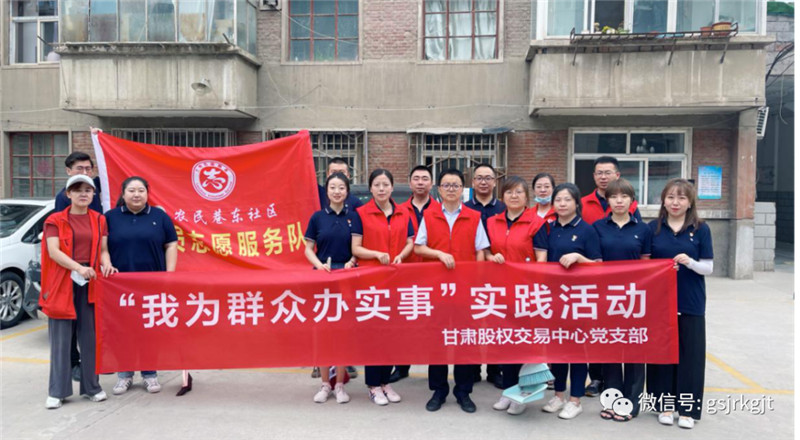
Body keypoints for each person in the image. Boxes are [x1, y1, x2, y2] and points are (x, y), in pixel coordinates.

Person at [414, 168, 490, 413]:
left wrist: (477, 280)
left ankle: (463, 391)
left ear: (463, 189)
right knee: (437, 340)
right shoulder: (430, 214)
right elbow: (418, 247)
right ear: (439, 189)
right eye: (446, 185)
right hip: (436, 289)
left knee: (464, 340)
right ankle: (438, 390)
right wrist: (439, 254)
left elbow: (481, 249)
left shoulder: (474, 216)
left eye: (455, 185)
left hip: (464, 289)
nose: (451, 189)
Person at [41, 175, 113, 409]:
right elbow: (54, 251)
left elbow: (103, 249)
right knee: (61, 339)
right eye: (77, 189)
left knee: (90, 338)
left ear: (93, 195)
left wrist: (107, 264)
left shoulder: (99, 219)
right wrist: (78, 268)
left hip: (90, 282)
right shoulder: (55, 220)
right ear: (68, 194)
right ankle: (57, 391)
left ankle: (92, 387)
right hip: (62, 282)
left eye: (88, 190)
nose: (83, 194)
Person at [647, 178, 713, 430]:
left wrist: (690, 263)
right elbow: (644, 264)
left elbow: (708, 267)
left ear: (690, 202)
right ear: (663, 201)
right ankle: (663, 406)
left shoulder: (701, 229)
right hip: (659, 303)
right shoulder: (653, 228)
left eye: (681, 198)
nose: (675, 202)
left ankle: (687, 410)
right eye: (671, 197)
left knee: (691, 357)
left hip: (690, 301)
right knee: (661, 355)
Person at [105, 177, 178, 395]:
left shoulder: (160, 216)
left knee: (149, 329)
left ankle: (149, 373)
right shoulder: (110, 217)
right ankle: (124, 375)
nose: (136, 194)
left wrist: (169, 275)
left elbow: (171, 244)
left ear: (147, 193)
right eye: (131, 190)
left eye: (140, 190)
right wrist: (106, 264)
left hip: (152, 284)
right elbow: (102, 247)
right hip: (119, 286)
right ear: (123, 193)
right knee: (122, 331)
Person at [485, 176, 548, 416]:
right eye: (509, 192)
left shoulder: (537, 223)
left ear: (526, 197)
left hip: (526, 293)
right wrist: (492, 257)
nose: (514, 196)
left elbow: (542, 258)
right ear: (502, 197)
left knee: (524, 345)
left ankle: (524, 394)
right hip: (500, 292)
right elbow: (485, 250)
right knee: (505, 344)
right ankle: (508, 390)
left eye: (519, 192)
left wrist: (533, 286)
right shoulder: (492, 221)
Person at [351, 169, 414, 405]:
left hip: (396, 280)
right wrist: (377, 254)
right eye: (377, 184)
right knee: (373, 334)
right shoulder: (361, 213)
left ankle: (386, 382)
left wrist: (401, 255)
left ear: (392, 187)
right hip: (371, 282)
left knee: (391, 334)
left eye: (385, 184)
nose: (381, 188)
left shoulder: (403, 212)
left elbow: (410, 241)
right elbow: (356, 248)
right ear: (370, 188)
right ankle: (373, 385)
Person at [592, 178, 651, 422]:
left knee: (634, 351)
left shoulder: (643, 229)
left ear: (631, 200)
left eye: (624, 196)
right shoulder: (598, 227)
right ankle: (612, 400)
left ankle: (631, 403)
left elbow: (648, 265)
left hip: (635, 298)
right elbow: (595, 263)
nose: (619, 201)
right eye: (614, 196)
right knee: (611, 350)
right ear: (607, 200)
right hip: (607, 297)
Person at [580, 156, 640, 396]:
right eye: (599, 173)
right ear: (594, 176)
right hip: (595, 280)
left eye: (608, 172)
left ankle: (627, 384)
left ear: (617, 175)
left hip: (628, 286)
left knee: (623, 332)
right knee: (598, 332)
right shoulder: (583, 204)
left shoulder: (631, 207)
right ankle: (596, 377)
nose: (603, 177)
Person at [542, 182, 602, 420]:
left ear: (577, 203)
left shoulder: (587, 230)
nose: (562, 204)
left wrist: (579, 257)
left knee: (576, 350)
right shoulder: (550, 228)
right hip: (554, 297)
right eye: (558, 200)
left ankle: (575, 399)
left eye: (567, 199)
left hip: (578, 298)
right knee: (557, 348)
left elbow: (598, 265)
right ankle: (559, 395)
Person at [303, 172, 359, 404]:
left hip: (346, 277)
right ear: (326, 191)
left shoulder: (354, 217)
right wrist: (319, 266)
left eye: (341, 188)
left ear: (347, 192)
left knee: (342, 332)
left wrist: (351, 262)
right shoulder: (317, 217)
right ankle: (325, 384)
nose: (337, 191)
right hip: (322, 277)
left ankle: (340, 384)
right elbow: (308, 249)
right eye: (333, 187)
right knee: (324, 333)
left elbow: (358, 248)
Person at [54, 151, 103, 382]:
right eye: (79, 168)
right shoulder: (62, 202)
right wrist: (77, 267)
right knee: (69, 324)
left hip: (95, 270)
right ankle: (73, 365)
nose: (85, 172)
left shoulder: (97, 197)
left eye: (88, 168)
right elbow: (59, 243)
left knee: (91, 324)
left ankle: (92, 370)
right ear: (68, 172)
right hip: (71, 271)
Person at [389, 165, 441, 383]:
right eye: (416, 178)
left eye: (425, 178)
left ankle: (434, 371)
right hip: (406, 273)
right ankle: (402, 366)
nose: (420, 182)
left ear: (432, 183)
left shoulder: (441, 209)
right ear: (409, 183)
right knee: (404, 322)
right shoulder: (399, 210)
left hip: (433, 274)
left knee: (433, 324)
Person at [464, 163, 505, 387]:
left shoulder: (503, 207)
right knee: (472, 322)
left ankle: (494, 369)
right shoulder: (464, 208)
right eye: (479, 178)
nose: (483, 182)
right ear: (472, 182)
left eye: (488, 178)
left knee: (495, 321)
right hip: (471, 274)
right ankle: (472, 368)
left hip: (499, 273)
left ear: (494, 182)